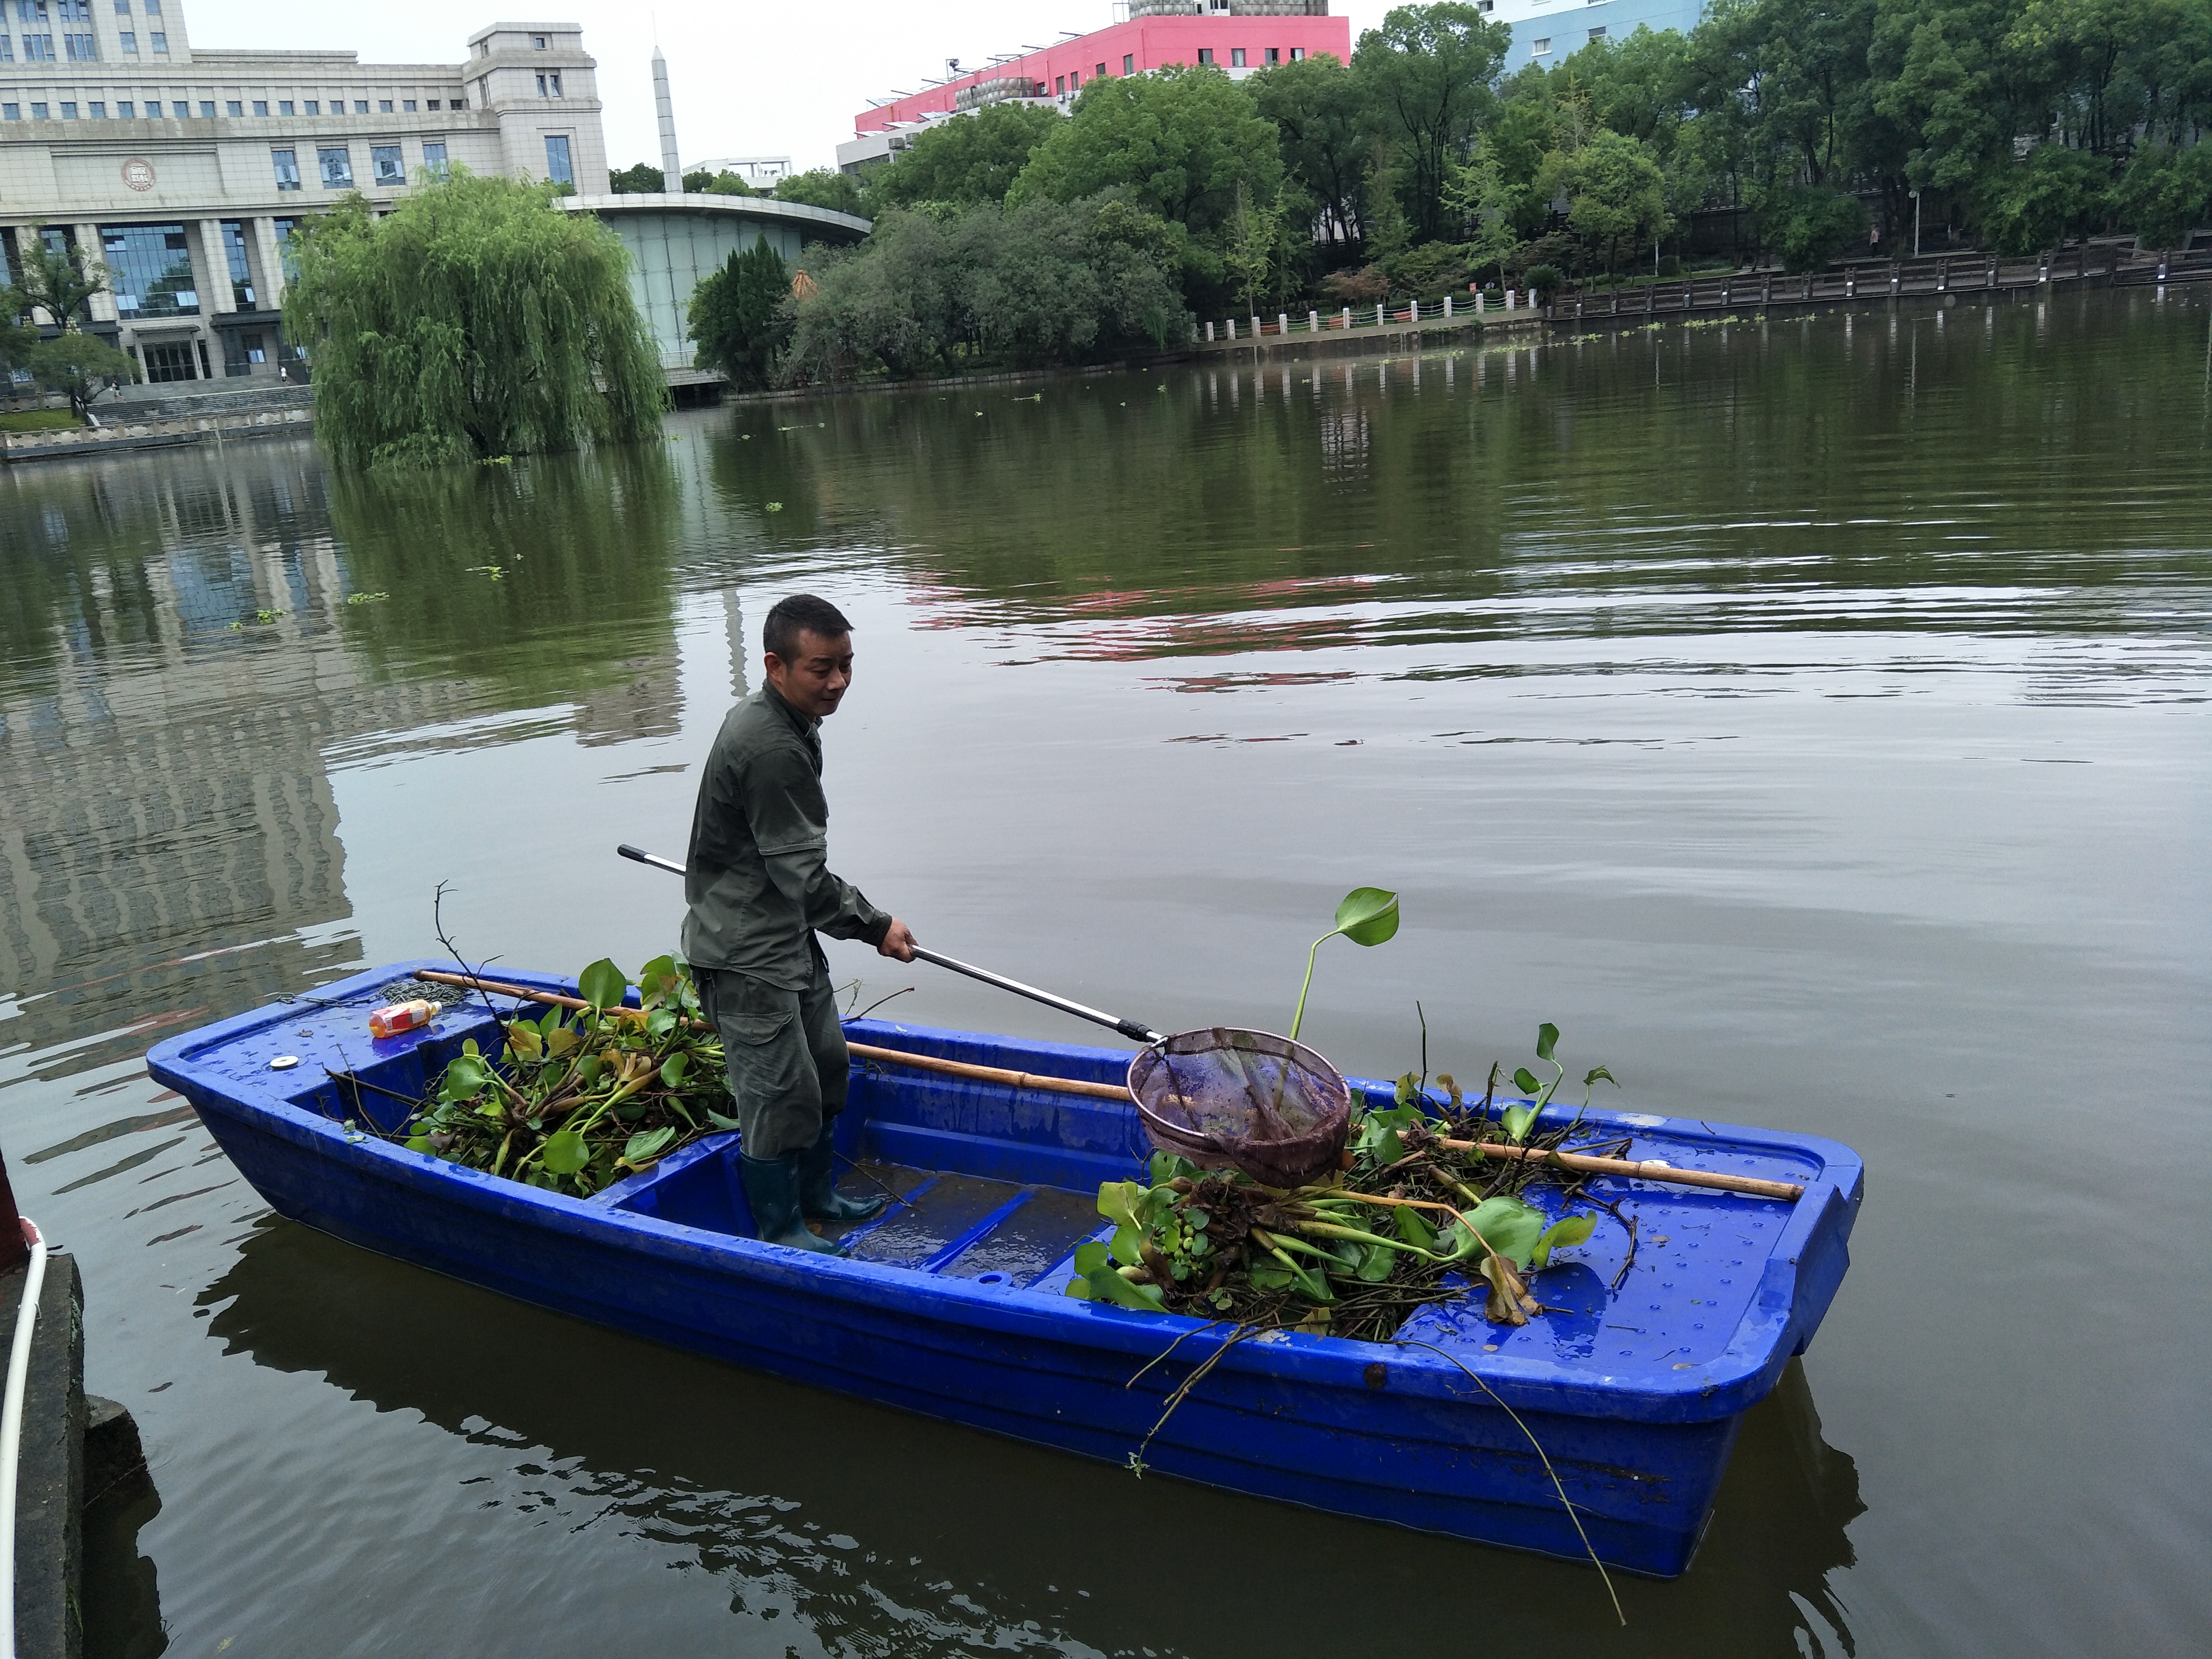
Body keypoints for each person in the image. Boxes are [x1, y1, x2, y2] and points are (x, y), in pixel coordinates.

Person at [682, 593, 917, 1252]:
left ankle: (819, 1196)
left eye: (846, 665)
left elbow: (790, 876)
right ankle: (782, 1229)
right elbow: (805, 880)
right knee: (777, 1094)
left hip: (783, 932)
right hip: (744, 951)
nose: (838, 682)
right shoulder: (769, 745)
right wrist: (876, 926)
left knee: (826, 1067)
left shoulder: (789, 719)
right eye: (822, 669)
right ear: (775, 666)